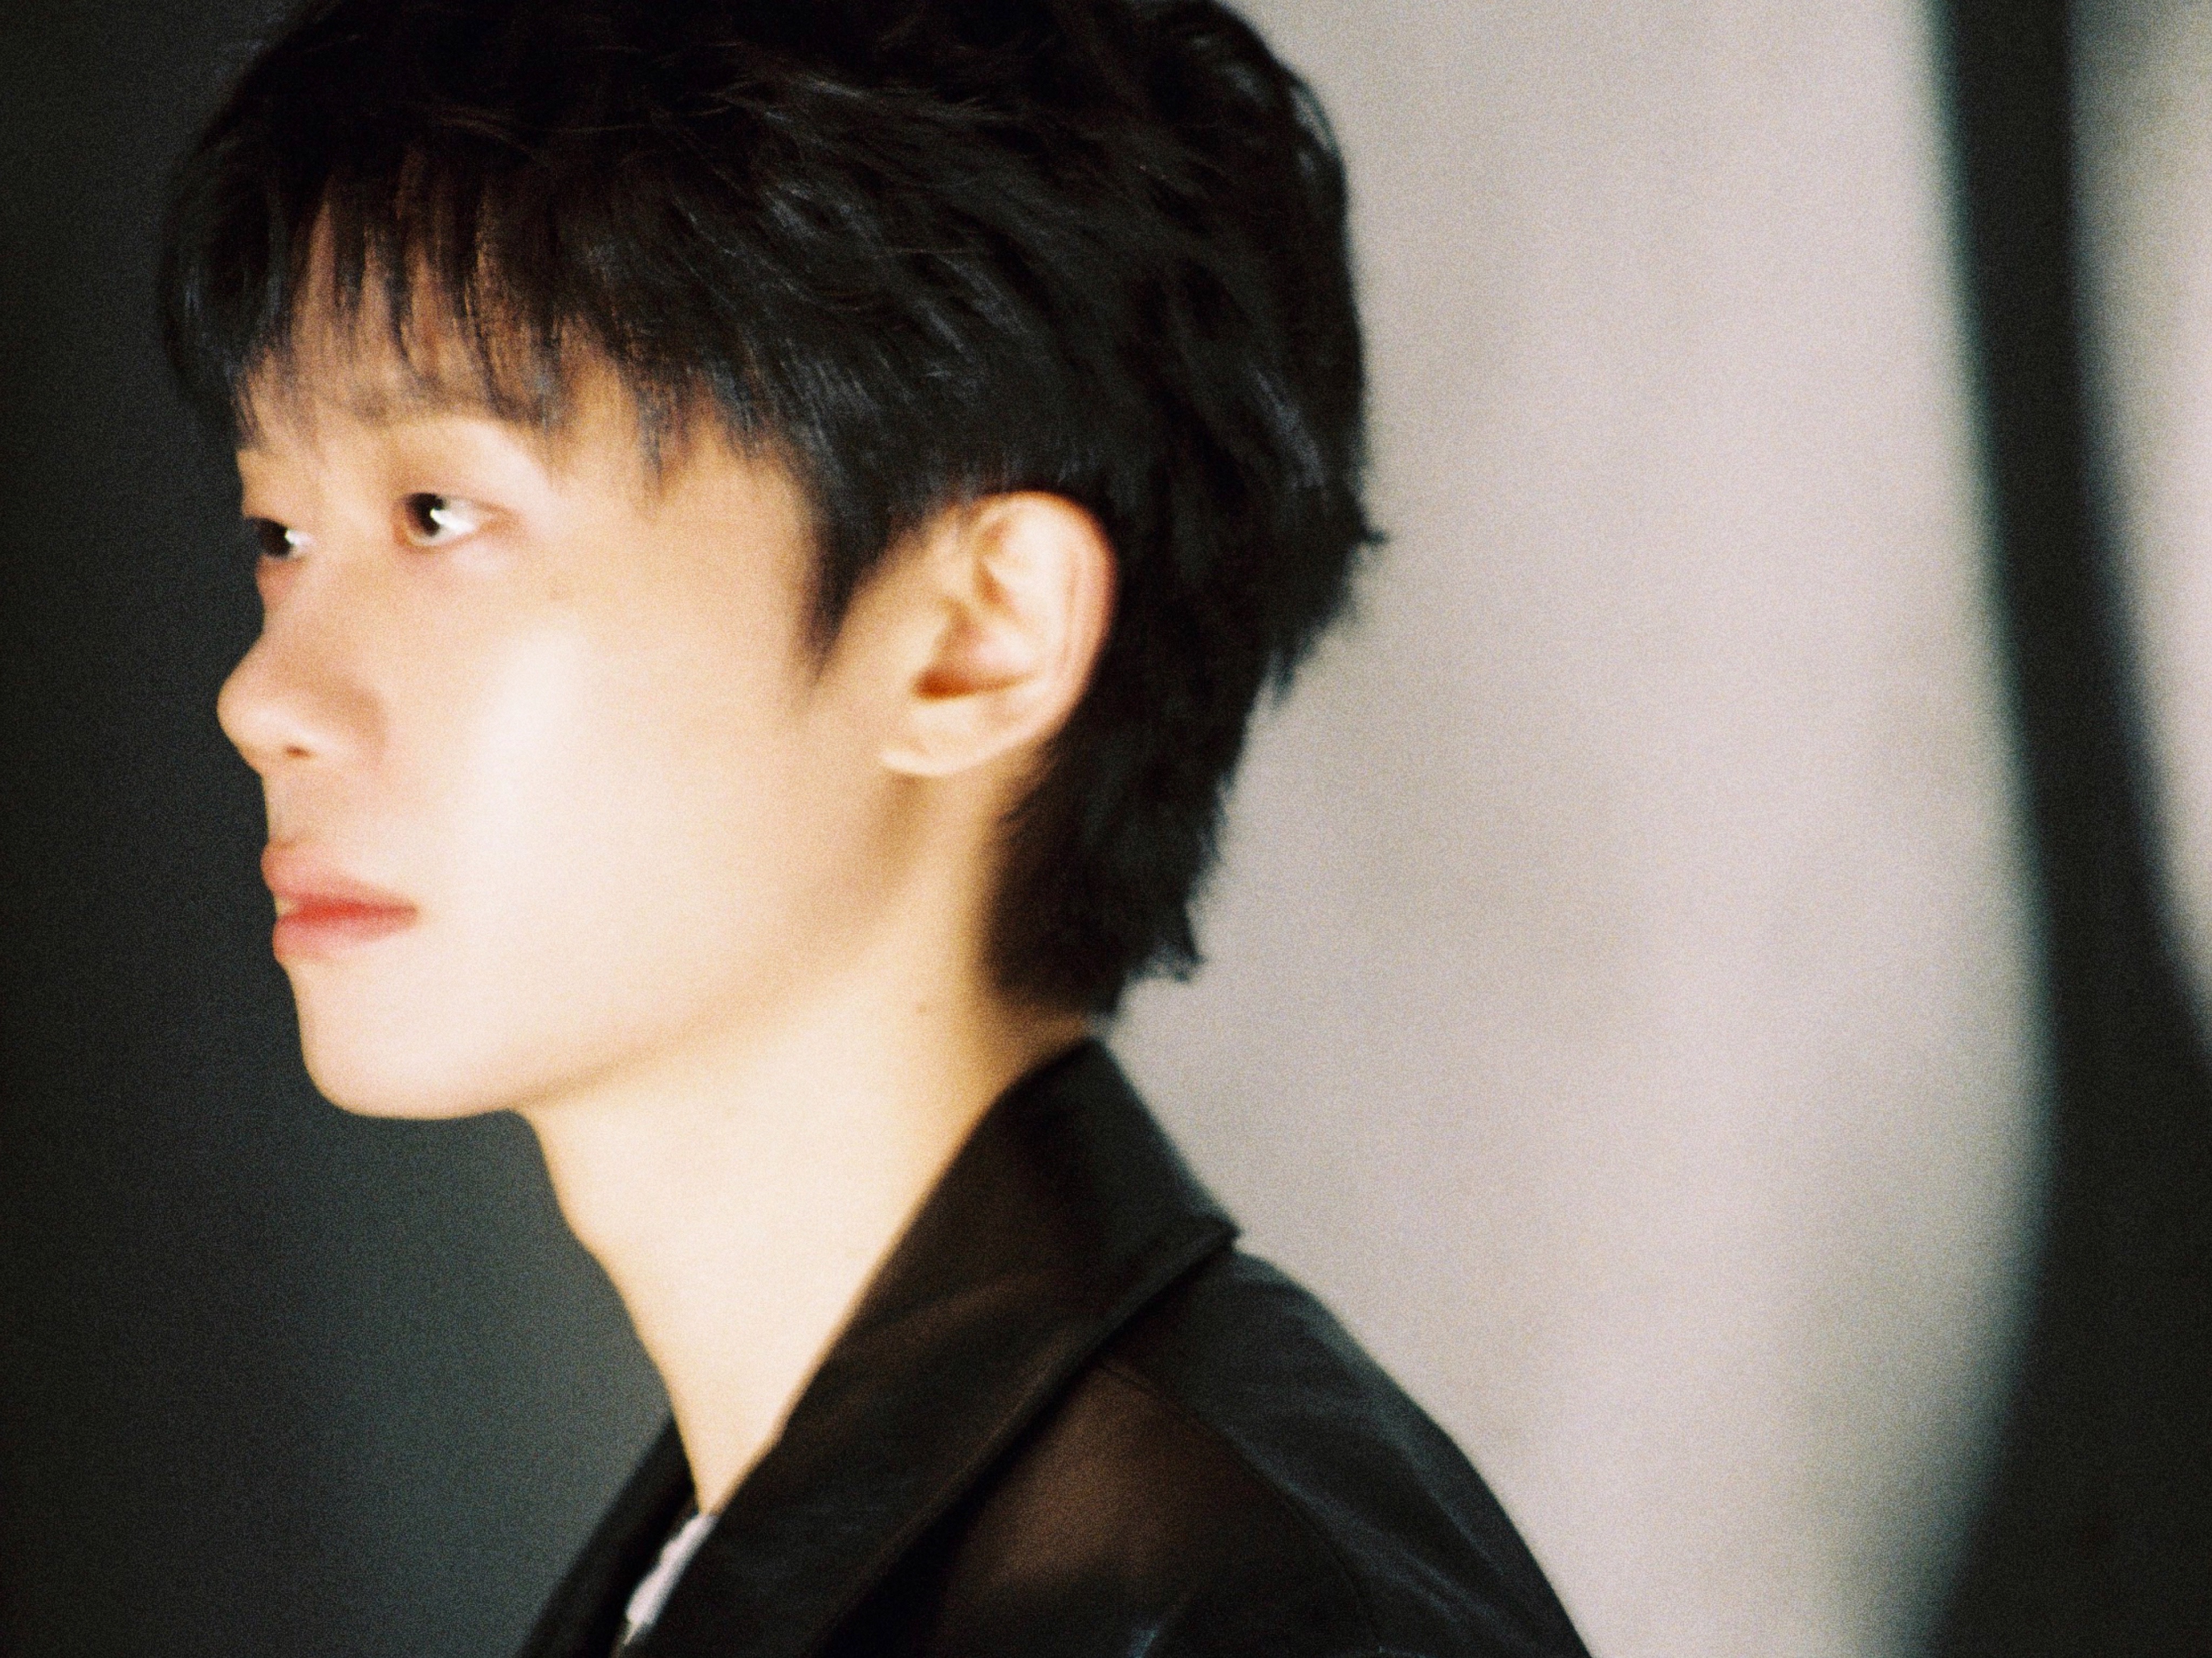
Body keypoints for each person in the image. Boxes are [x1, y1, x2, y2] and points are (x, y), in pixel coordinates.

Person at [159, 0, 1591, 1652]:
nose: (266, 697)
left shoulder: (1238, 1615)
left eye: (438, 511)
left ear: (975, 633)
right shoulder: (781, 1545)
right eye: (281, 531)